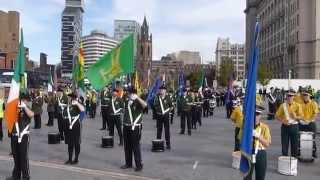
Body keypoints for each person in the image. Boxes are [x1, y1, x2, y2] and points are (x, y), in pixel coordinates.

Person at [6, 92, 34, 180]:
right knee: (16, 157)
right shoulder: (15, 108)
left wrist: (24, 107)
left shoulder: (26, 108)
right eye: (21, 99)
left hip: (23, 136)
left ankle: (26, 176)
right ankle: (16, 175)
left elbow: (31, 114)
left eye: (23, 100)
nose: (21, 101)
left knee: (23, 158)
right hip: (14, 136)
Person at [121, 86, 147, 172]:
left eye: (128, 92)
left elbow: (145, 106)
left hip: (135, 127)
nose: (126, 93)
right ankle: (128, 163)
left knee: (135, 146)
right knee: (127, 146)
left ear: (133, 93)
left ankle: (139, 165)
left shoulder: (137, 101)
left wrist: (137, 98)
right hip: (126, 126)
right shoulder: (126, 100)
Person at [244, 105, 271, 180]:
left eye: (257, 114)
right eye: (254, 114)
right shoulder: (246, 127)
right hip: (248, 152)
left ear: (260, 116)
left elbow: (267, 144)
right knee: (247, 176)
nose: (255, 116)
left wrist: (258, 136)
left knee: (260, 176)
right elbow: (240, 140)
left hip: (260, 153)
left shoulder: (265, 127)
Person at [275, 90, 302, 158]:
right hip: (285, 127)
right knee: (284, 145)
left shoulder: (298, 105)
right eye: (288, 96)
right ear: (286, 97)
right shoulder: (283, 105)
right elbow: (277, 116)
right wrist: (282, 121)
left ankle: (294, 160)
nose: (289, 97)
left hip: (294, 126)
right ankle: (284, 160)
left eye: (291, 96)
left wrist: (296, 117)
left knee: (295, 144)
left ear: (294, 97)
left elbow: (301, 116)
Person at [63, 92, 85, 165]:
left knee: (76, 143)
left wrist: (77, 103)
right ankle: (69, 159)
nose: (69, 99)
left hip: (75, 126)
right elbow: (64, 116)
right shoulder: (66, 107)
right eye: (68, 97)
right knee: (70, 143)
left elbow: (83, 110)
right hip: (68, 126)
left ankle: (76, 159)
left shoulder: (76, 106)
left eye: (70, 97)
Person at [299, 90, 319, 158]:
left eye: (306, 95)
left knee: (312, 138)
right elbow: (297, 113)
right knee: (300, 138)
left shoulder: (314, 103)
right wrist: (300, 120)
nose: (305, 96)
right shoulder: (300, 103)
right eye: (304, 95)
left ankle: (314, 152)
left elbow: (315, 113)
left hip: (311, 123)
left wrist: (309, 120)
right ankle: (299, 151)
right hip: (301, 123)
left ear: (309, 96)